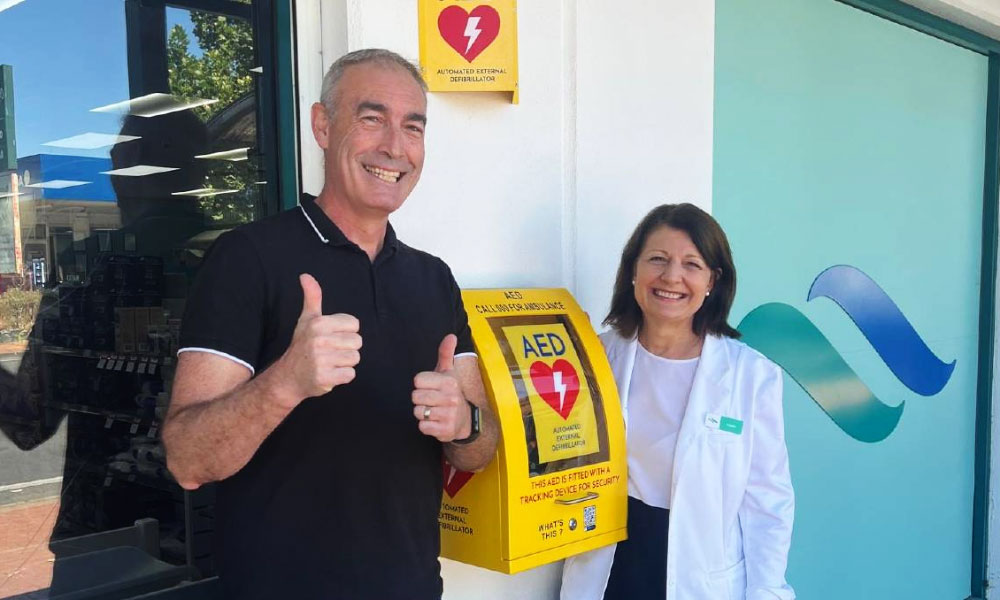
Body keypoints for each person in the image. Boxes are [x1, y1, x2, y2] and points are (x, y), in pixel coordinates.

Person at [161, 49, 498, 599]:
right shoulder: (247, 258)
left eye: (412, 127)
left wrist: (464, 423)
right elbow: (187, 460)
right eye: (372, 119)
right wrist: (286, 382)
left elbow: (480, 451)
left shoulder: (435, 279)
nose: (395, 146)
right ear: (322, 126)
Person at [560, 204, 794, 600]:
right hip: (610, 567)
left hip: (701, 576)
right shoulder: (596, 357)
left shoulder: (752, 376)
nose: (671, 277)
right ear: (633, 270)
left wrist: (768, 591)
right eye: (657, 259)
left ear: (712, 281)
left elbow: (768, 502)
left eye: (691, 264)